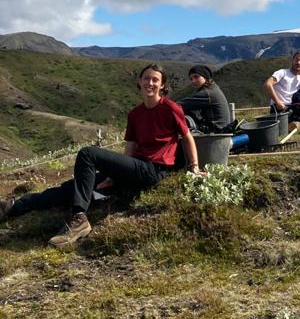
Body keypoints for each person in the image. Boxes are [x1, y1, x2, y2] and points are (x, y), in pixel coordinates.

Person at [0, 63, 202, 248]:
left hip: (155, 171)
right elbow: (130, 147)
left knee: (88, 154)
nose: (150, 83)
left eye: (155, 80)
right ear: (139, 82)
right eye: (146, 78)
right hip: (135, 168)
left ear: (162, 85)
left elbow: (187, 137)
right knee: (72, 187)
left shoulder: (170, 108)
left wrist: (194, 167)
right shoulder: (135, 114)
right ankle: (14, 206)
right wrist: (114, 175)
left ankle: (79, 218)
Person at [178, 64, 231, 132]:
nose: (193, 81)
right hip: (219, 129)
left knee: (177, 109)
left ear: (205, 77)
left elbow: (177, 105)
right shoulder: (213, 88)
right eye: (191, 79)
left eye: (196, 77)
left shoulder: (208, 93)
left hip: (215, 131)